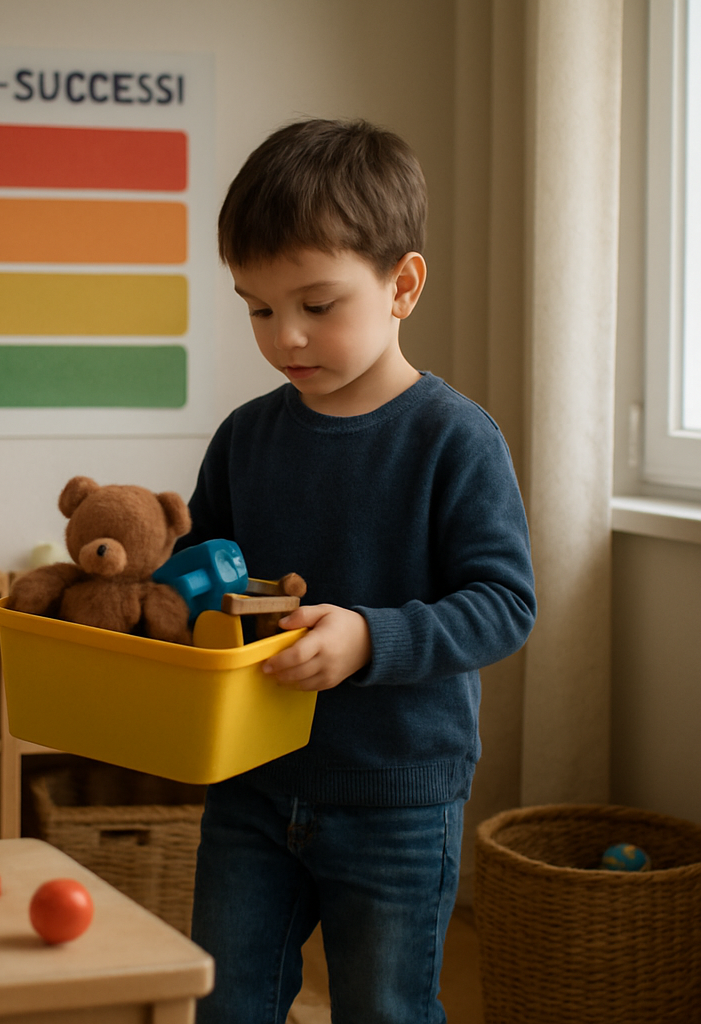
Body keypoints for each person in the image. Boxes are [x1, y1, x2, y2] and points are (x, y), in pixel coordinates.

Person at [182, 118, 537, 1024]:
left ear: (402, 286)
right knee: (224, 1004)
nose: (286, 337)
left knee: (385, 1009)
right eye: (259, 309)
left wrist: (370, 638)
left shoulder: (455, 440)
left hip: (398, 801)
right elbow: (200, 574)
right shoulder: (245, 438)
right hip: (250, 784)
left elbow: (504, 604)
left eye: (317, 303)